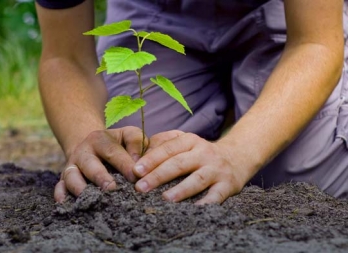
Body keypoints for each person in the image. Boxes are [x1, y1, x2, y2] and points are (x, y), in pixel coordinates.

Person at [35, 0, 348, 204]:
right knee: (134, 164)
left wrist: (237, 153)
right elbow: (66, 56)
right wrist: (83, 139)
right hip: (156, 11)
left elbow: (315, 42)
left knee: (303, 178)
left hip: (283, 10)